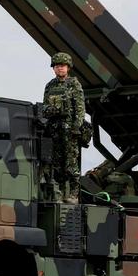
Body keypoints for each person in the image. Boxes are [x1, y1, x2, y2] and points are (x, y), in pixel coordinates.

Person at [43, 52, 85, 204]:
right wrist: (51, 110)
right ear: (53, 68)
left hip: (69, 129)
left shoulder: (74, 84)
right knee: (57, 163)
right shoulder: (50, 85)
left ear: (68, 68)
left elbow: (80, 108)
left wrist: (76, 127)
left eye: (63, 66)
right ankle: (59, 192)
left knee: (71, 162)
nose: (60, 68)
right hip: (55, 127)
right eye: (57, 66)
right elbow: (45, 107)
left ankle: (74, 193)